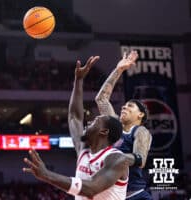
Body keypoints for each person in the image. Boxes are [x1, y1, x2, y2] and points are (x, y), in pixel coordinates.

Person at [23, 56, 130, 200]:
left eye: (95, 121)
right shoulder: (83, 150)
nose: (89, 122)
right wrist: (78, 81)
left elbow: (91, 188)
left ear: (104, 132)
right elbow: (74, 117)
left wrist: (47, 175)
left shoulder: (117, 159)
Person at [95, 51, 152, 199]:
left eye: (130, 106)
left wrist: (112, 158)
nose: (124, 108)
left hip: (135, 195)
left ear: (140, 115)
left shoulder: (140, 131)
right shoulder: (115, 127)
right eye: (124, 106)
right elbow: (101, 99)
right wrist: (119, 69)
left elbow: (140, 159)